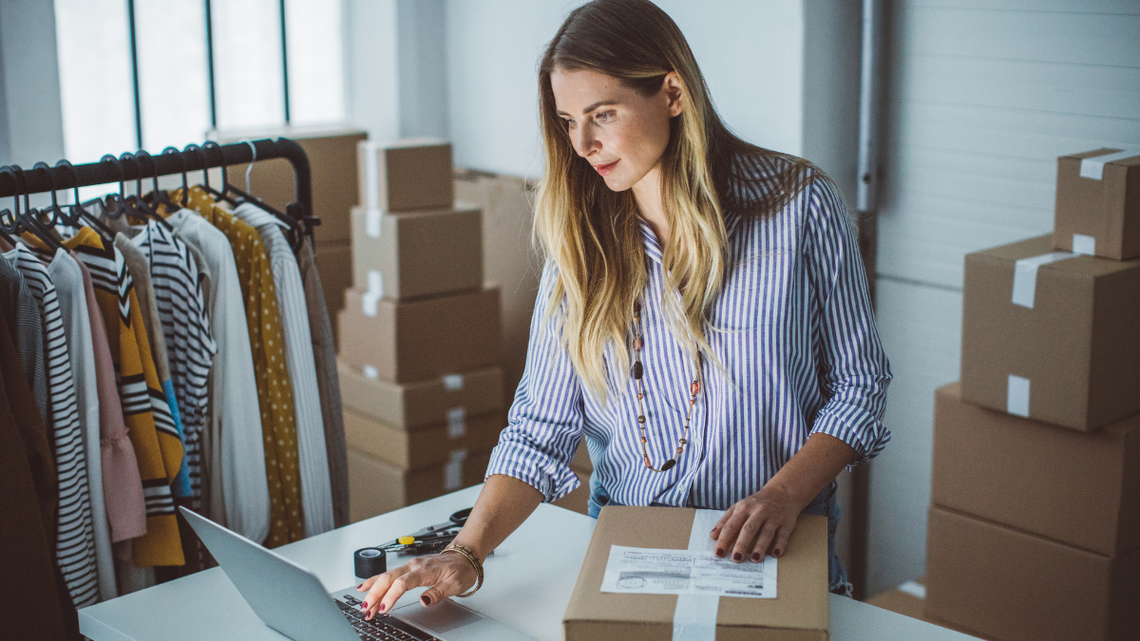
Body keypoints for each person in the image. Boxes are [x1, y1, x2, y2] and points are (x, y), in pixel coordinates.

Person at [358, 0, 891, 618]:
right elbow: (541, 429)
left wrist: (782, 495)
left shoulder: (800, 206)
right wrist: (466, 554)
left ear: (671, 92)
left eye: (602, 115)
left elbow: (860, 388)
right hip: (630, 558)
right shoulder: (580, 243)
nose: (583, 144)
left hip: (774, 553)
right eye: (567, 121)